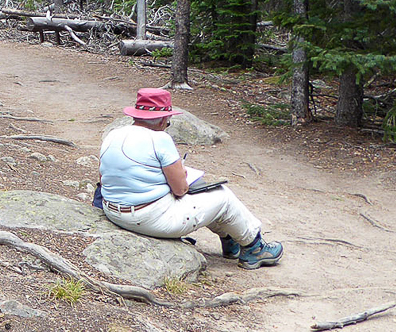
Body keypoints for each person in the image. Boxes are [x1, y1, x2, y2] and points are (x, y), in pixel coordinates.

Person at [98, 88, 283, 269]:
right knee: (222, 195)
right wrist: (181, 175)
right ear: (163, 119)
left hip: (114, 211)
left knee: (204, 197)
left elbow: (105, 177)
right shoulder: (159, 139)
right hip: (148, 218)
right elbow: (180, 190)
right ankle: (254, 248)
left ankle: (231, 241)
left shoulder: (114, 134)